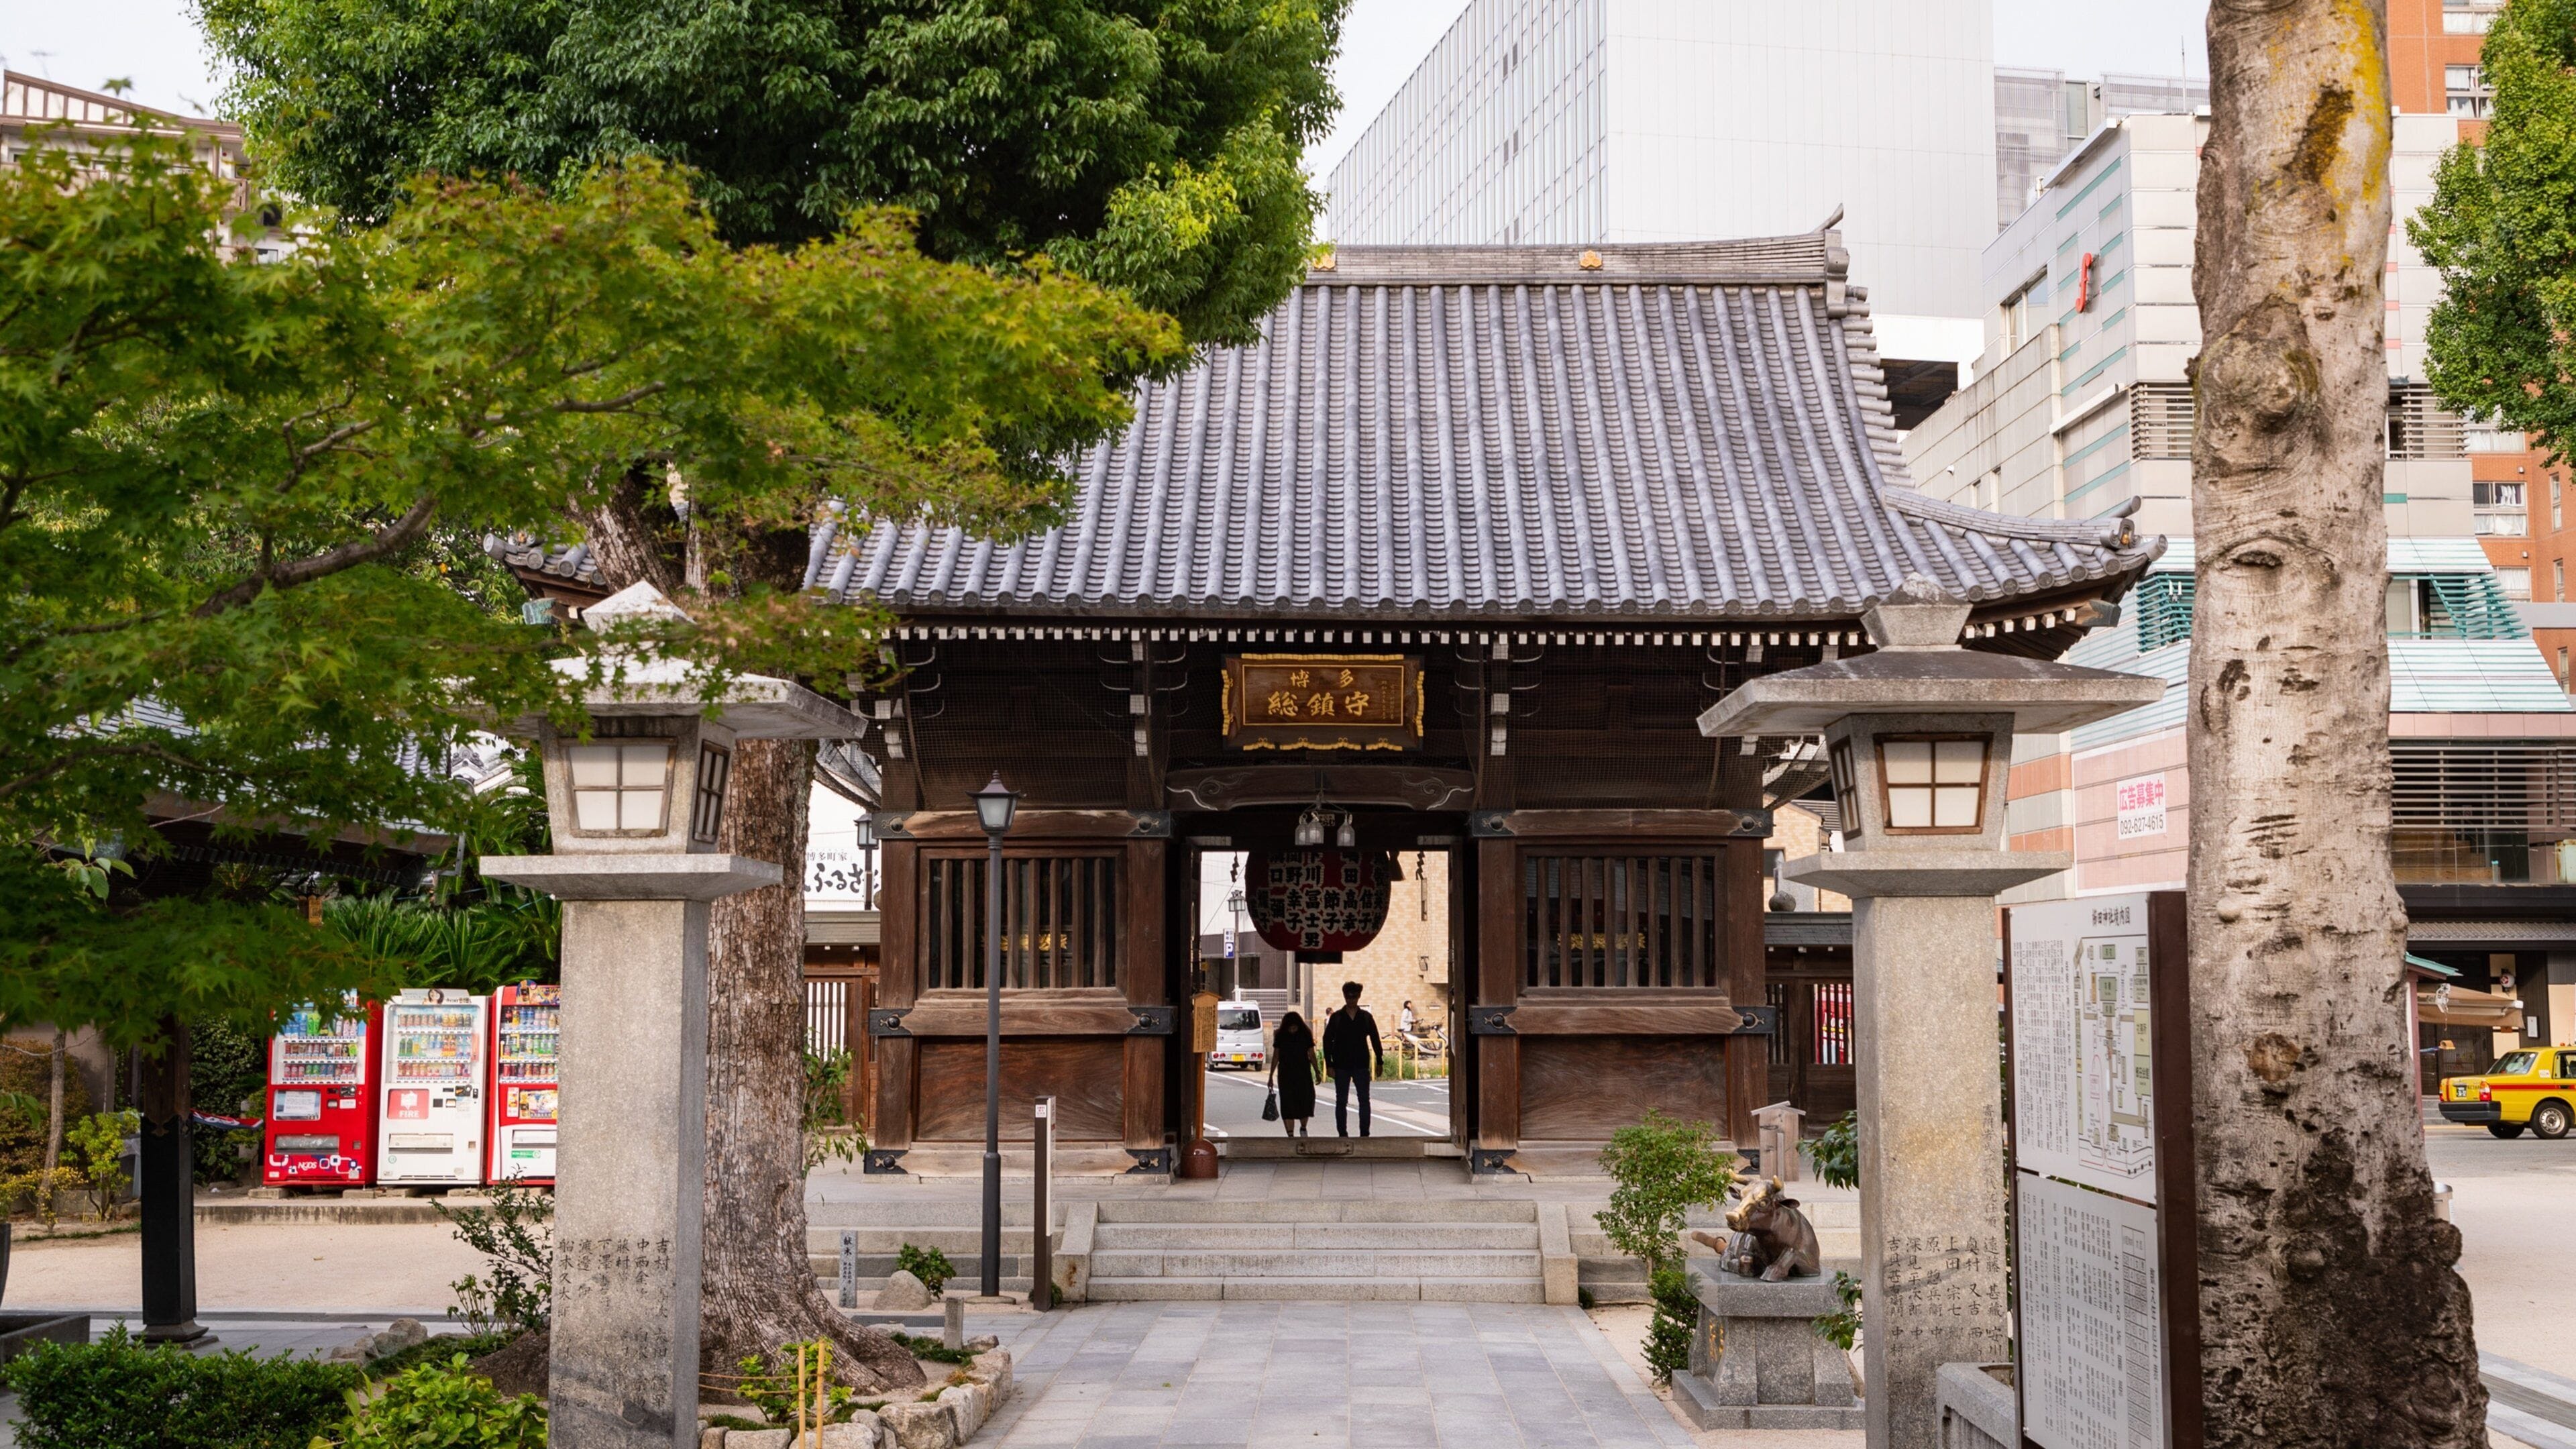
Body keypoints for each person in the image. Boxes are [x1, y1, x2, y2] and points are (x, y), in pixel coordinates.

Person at [1321, 981, 1385, 1137]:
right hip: (1341, 1064)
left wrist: (1380, 1060)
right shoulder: (1336, 1018)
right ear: (1344, 996)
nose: (1351, 1000)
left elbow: (1376, 1039)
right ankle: (1342, 1133)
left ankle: (1365, 1133)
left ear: (1359, 997)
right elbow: (1327, 1040)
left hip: (1361, 1063)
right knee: (1341, 1101)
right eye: (1349, 997)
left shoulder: (1366, 1017)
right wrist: (1329, 1064)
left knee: (1364, 1100)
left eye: (1354, 997)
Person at [1270, 1011, 1318, 1137]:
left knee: (1306, 1101)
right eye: (1290, 1028)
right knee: (1287, 1103)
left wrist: (1317, 1072)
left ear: (1299, 1026)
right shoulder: (1280, 1035)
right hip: (1286, 1075)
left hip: (1303, 1074)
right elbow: (1276, 1056)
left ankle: (1303, 1128)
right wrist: (1270, 1077)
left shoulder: (1306, 1034)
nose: (1292, 1030)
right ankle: (1290, 1135)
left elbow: (1312, 1054)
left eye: (1294, 1027)